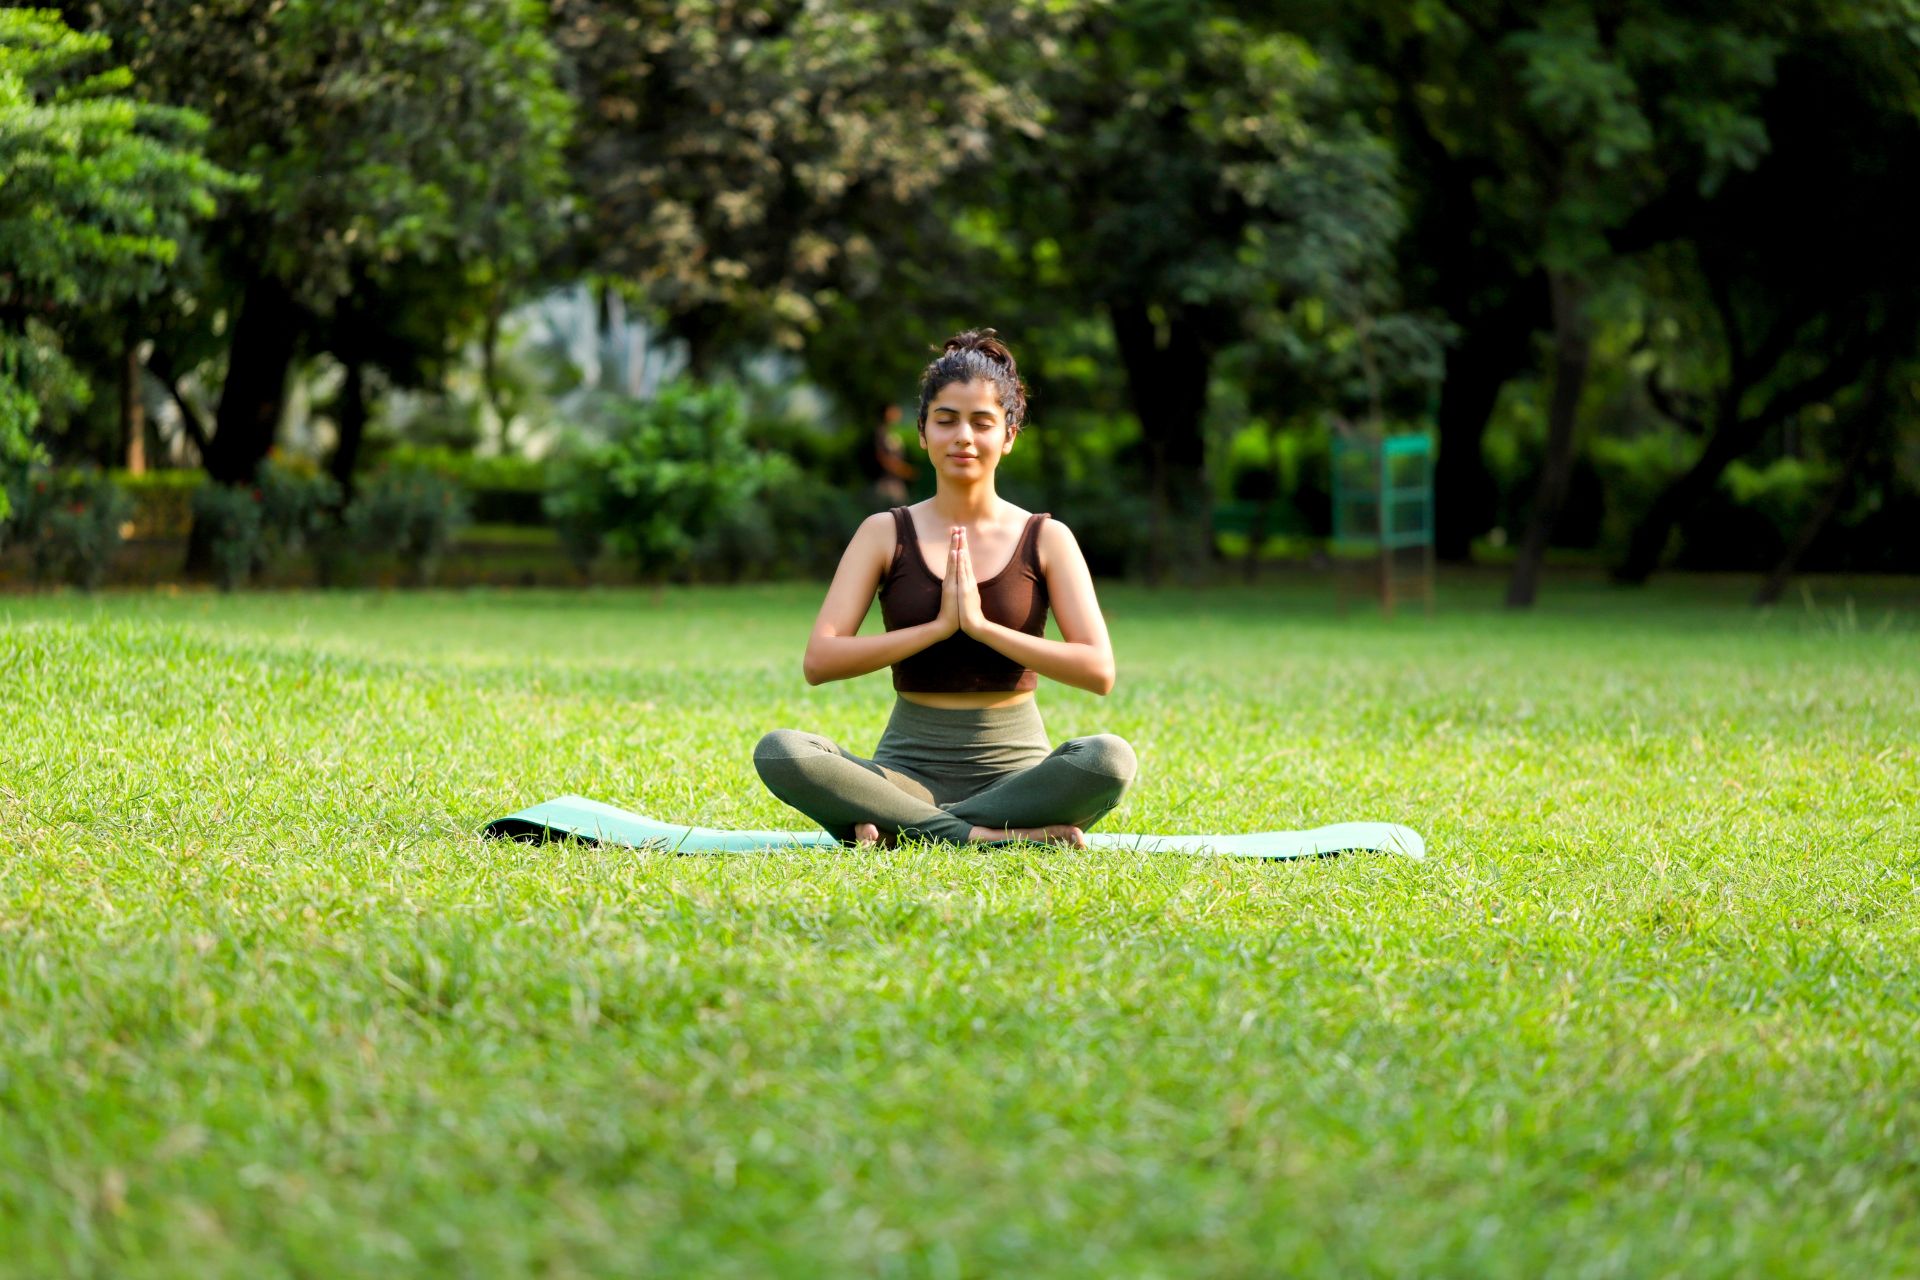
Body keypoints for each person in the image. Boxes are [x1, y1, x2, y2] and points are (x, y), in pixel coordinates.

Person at [753, 328, 1136, 848]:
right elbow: (821, 660)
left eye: (982, 423)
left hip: (1018, 778)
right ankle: (985, 835)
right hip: (904, 774)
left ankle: (901, 828)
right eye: (946, 420)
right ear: (922, 432)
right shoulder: (884, 533)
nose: (963, 437)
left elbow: (1098, 671)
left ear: (1009, 435)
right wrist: (936, 629)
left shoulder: (1046, 537)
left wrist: (981, 628)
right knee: (780, 750)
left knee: (1109, 759)